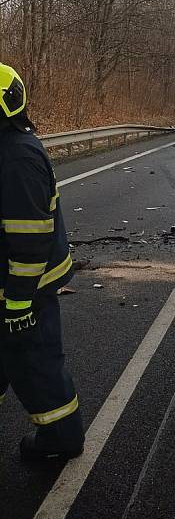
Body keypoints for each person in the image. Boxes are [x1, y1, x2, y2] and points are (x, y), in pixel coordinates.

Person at [0, 63, 84, 461]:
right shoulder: (10, 148)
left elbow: (30, 240)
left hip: (23, 292)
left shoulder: (16, 158)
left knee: (36, 364)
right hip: (14, 290)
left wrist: (18, 302)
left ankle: (61, 440)